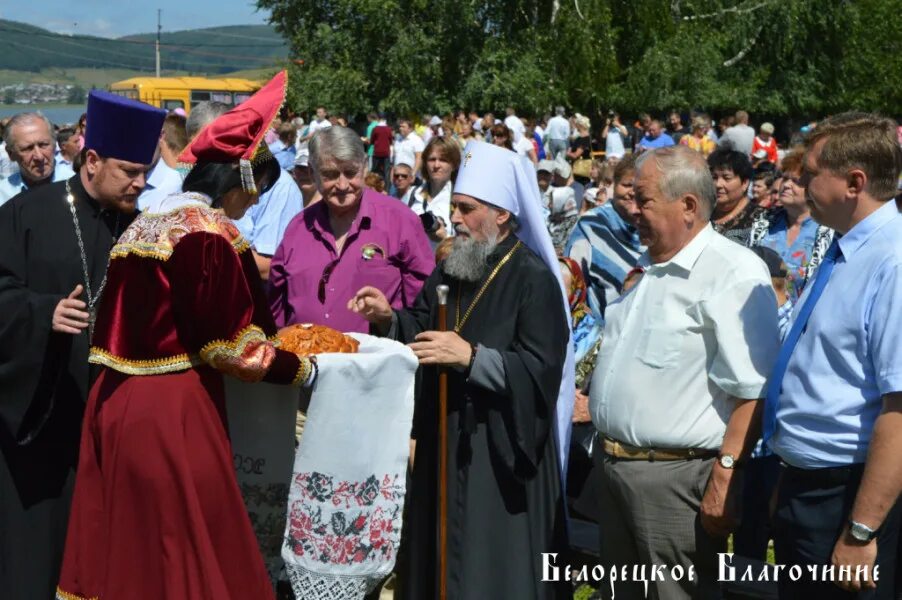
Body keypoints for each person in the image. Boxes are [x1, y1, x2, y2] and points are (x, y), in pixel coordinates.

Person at [56, 71, 316, 600]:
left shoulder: (144, 224)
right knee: (187, 552)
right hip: (173, 414)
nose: (253, 204)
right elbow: (232, 348)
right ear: (242, 178)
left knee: (130, 549)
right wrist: (305, 368)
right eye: (256, 191)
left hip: (114, 404)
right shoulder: (208, 235)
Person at [349, 140, 574, 599]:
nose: (455, 218)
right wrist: (388, 318)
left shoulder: (532, 279)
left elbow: (541, 369)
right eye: (454, 206)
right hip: (444, 439)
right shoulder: (453, 265)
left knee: (489, 573)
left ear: (502, 215)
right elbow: (424, 325)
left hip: (499, 452)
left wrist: (472, 359)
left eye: (466, 209)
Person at [590, 145, 780, 599]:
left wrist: (725, 476)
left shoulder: (731, 272)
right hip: (618, 471)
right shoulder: (652, 269)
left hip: (674, 484)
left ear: (688, 206)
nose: (632, 210)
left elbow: (752, 391)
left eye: (644, 200)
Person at [0, 90, 166, 600]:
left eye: (146, 172)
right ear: (91, 161)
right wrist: (40, 313)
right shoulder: (25, 214)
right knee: (34, 561)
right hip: (39, 420)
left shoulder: (143, 229)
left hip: (113, 425)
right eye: (130, 172)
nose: (141, 184)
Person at [765, 113, 902, 599]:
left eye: (810, 173)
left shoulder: (892, 261)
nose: (798, 183)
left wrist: (861, 530)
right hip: (808, 485)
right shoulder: (845, 247)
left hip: (847, 496)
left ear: (854, 182)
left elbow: (899, 411)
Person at [269, 126, 435, 334]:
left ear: (364, 167)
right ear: (312, 173)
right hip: (307, 362)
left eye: (350, 173)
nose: (342, 185)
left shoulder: (401, 221)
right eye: (330, 175)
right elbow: (277, 310)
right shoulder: (298, 227)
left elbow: (425, 309)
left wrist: (390, 318)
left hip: (376, 363)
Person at [565, 154, 644, 320]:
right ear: (614, 186)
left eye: (640, 187)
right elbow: (573, 283)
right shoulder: (591, 225)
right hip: (602, 332)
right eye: (627, 185)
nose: (633, 192)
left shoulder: (656, 226)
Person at [750, 150, 834, 302]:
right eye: (785, 178)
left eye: (795, 181)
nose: (787, 185)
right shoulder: (763, 222)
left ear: (813, 186)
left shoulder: (826, 231)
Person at [0, 112, 75, 206]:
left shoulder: (76, 186)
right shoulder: (3, 195)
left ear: (55, 145)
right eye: (27, 148)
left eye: (43, 145)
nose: (39, 157)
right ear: (11, 153)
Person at [409, 136, 459, 245]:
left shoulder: (459, 199)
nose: (436, 165)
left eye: (443, 160)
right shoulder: (413, 193)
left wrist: (445, 238)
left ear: (454, 165)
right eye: (432, 159)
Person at [708, 147, 759, 244]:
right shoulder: (703, 212)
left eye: (726, 178)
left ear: (744, 183)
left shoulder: (759, 220)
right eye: (714, 177)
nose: (718, 184)